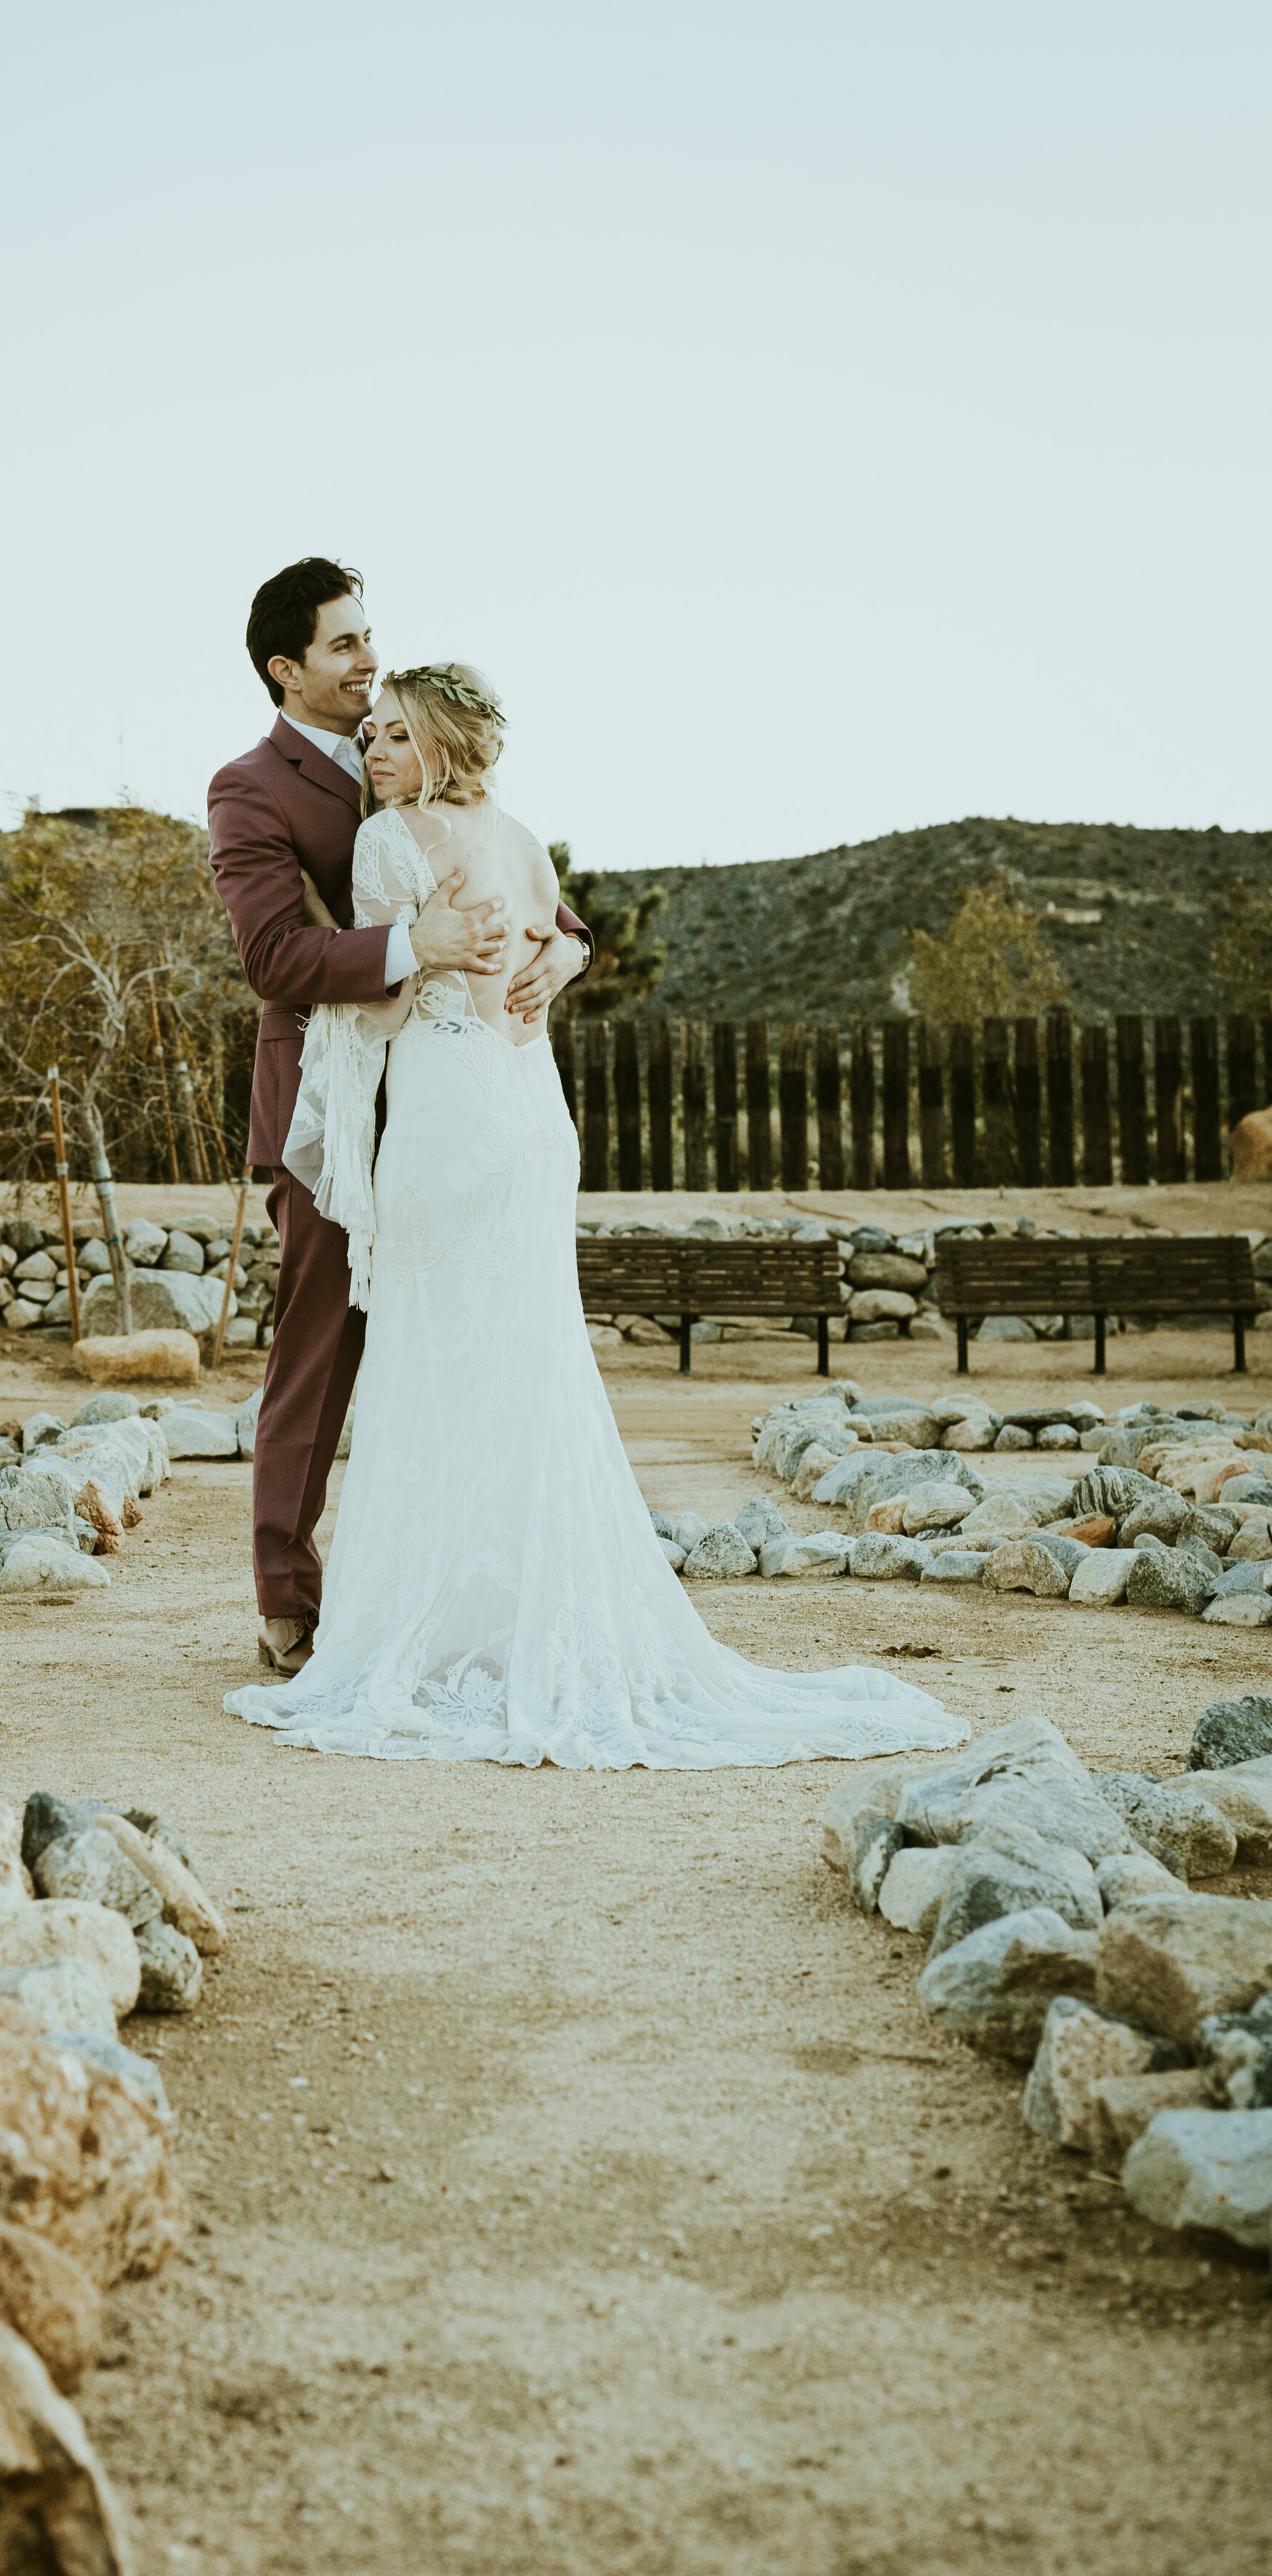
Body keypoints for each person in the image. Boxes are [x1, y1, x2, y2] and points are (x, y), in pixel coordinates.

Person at [223, 662, 965, 1769]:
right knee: (526, 1368)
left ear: (434, 744)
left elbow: (383, 1003)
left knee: (432, 1366)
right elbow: (530, 932)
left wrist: (407, 991)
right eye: (366, 722)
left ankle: (427, 1631)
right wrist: (540, 957)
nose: (374, 743)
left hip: (447, 1118)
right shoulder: (512, 835)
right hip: (531, 1118)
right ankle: (525, 1613)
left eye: (393, 733)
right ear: (291, 663)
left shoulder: (391, 839)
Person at [209, 559, 592, 1674]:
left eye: (370, 636)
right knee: (319, 1352)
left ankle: (454, 1591)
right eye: (343, 645)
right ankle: (289, 1595)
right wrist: (408, 947)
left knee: (463, 1341)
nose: (368, 660)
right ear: (286, 670)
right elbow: (273, 955)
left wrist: (564, 955)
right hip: (335, 1106)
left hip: (450, 1100)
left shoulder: (423, 748)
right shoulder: (250, 787)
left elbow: (543, 904)